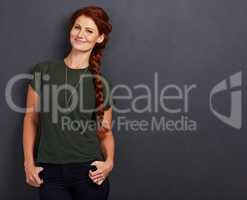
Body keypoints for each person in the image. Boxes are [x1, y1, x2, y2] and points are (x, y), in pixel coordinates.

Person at [22, 5, 115, 200]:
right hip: (51, 173)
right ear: (70, 30)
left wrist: (109, 163)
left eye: (89, 30)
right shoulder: (44, 70)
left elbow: (105, 132)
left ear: (100, 38)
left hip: (89, 174)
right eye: (77, 27)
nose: (81, 34)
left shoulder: (101, 83)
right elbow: (31, 118)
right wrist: (29, 163)